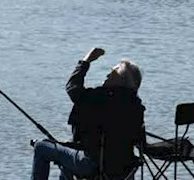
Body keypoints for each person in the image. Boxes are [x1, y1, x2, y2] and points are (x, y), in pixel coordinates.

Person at [30, 47, 145, 180]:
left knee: (41, 147)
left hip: (91, 164)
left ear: (121, 80)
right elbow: (140, 140)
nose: (107, 75)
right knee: (67, 154)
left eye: (113, 72)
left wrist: (86, 61)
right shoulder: (136, 106)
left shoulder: (100, 98)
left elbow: (73, 88)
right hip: (124, 170)